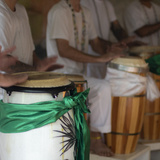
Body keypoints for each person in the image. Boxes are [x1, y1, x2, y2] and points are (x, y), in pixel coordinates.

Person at [46, 0, 126, 157]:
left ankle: (96, 139)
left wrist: (110, 49)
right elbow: (64, 50)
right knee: (99, 88)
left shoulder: (85, 12)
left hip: (78, 75)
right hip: (60, 77)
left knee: (103, 87)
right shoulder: (59, 11)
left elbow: (95, 43)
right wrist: (100, 59)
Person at [0, 0, 63, 99]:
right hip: (7, 95)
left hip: (27, 88)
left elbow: (30, 50)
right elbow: (4, 62)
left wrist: (41, 68)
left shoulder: (21, 10)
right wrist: (35, 70)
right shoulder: (1, 12)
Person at [81, 0, 144, 79]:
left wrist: (128, 43)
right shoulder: (83, 3)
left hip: (106, 58)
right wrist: (111, 45)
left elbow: (117, 28)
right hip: (90, 60)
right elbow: (89, 38)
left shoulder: (107, 4)